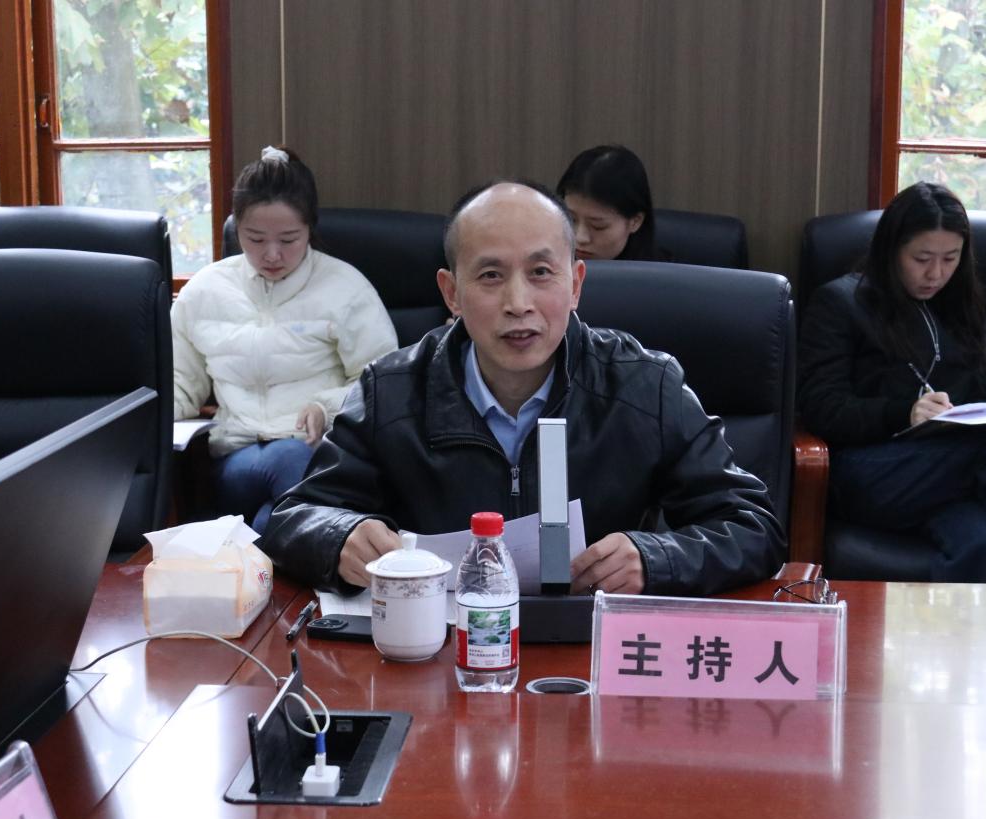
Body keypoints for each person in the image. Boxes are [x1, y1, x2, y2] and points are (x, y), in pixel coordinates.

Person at [261, 180, 783, 596]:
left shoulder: (644, 384)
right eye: (490, 276)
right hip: (438, 654)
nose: (518, 303)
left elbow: (753, 527)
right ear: (452, 293)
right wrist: (340, 538)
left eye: (541, 272)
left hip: (589, 650)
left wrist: (655, 559)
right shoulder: (392, 390)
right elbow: (293, 518)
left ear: (576, 283)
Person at [797, 181, 986, 582]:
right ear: (891, 250)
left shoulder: (958, 308)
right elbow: (821, 407)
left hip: (945, 474)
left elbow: (977, 394)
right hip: (869, 472)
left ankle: (954, 628)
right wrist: (905, 413)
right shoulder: (841, 302)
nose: (936, 274)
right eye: (921, 258)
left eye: (950, 259)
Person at [172, 146, 398, 532]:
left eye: (289, 239)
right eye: (255, 239)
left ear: (310, 229)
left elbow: (385, 382)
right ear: (236, 229)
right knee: (288, 460)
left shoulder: (345, 287)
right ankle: (302, 541)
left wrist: (325, 407)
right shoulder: (205, 291)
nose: (272, 255)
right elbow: (180, 385)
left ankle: (266, 538)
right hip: (239, 458)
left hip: (324, 454)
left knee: (271, 513)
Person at [556, 144, 658, 260]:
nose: (580, 237)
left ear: (635, 221)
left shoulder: (666, 270)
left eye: (598, 227)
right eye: (570, 219)